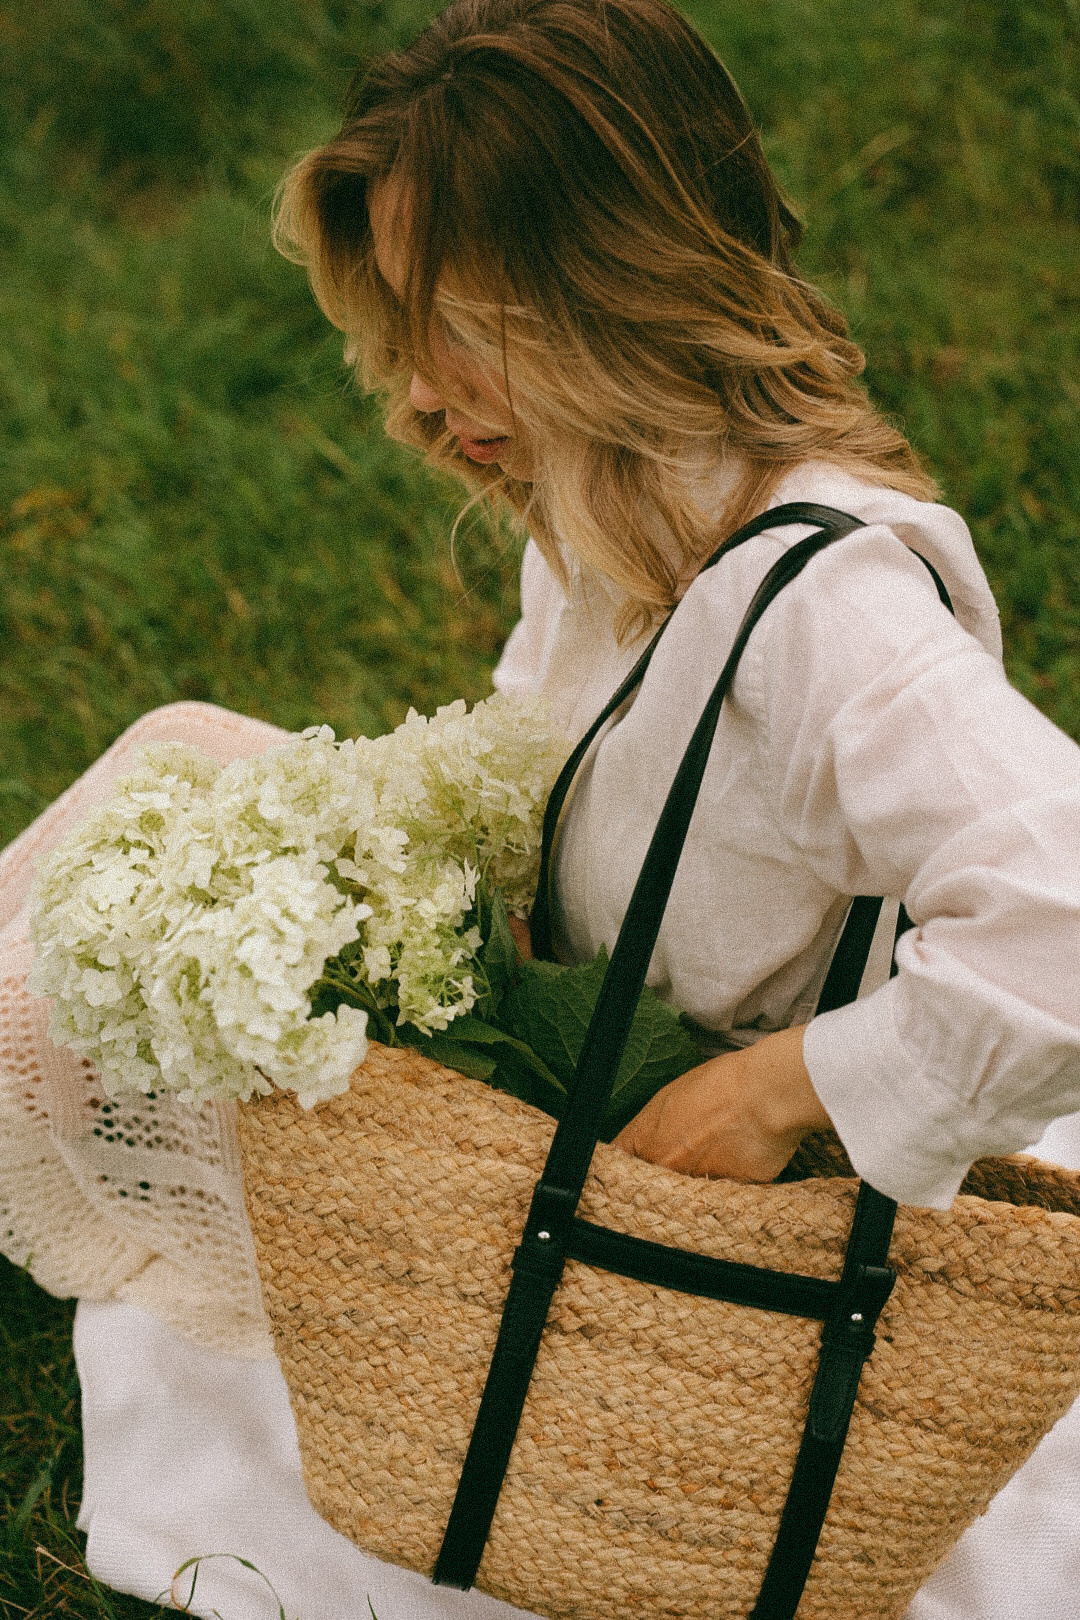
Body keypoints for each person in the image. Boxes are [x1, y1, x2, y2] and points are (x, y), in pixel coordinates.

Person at [2, 1, 1079, 1616]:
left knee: (73, 1003)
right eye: (396, 339)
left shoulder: (826, 614)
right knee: (179, 768)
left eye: (455, 330)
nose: (418, 400)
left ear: (614, 290)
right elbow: (555, 760)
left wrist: (788, 1089)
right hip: (575, 1032)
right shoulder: (603, 517)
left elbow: (1067, 902)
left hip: (677, 1164)